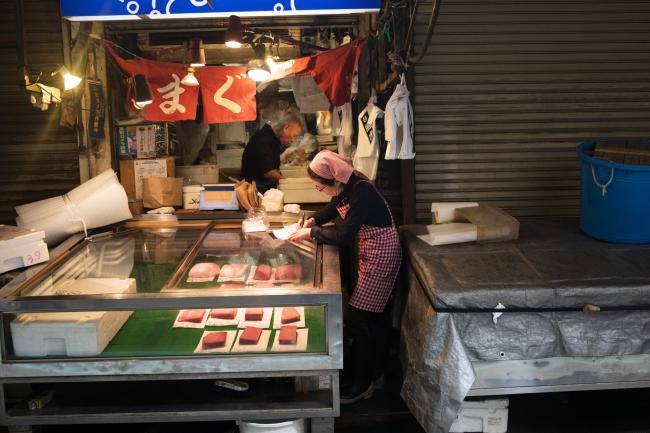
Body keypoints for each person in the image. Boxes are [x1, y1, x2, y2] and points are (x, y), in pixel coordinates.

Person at [288, 150, 402, 404]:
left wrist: (312, 233)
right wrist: (313, 220)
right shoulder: (348, 188)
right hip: (370, 251)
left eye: (320, 188)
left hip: (382, 256)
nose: (320, 192)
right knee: (370, 320)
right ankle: (376, 374)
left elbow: (343, 237)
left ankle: (363, 385)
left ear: (335, 181)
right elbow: (333, 206)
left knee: (359, 319)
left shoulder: (362, 191)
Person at [241, 113, 303, 194]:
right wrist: (289, 184)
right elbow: (269, 172)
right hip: (255, 189)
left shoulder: (273, 138)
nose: (293, 140)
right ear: (286, 127)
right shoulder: (263, 139)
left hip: (263, 186)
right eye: (294, 135)